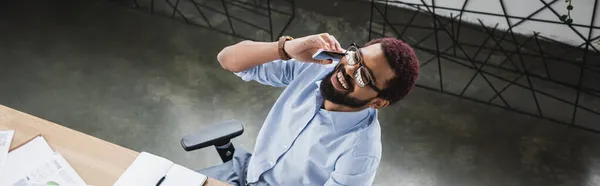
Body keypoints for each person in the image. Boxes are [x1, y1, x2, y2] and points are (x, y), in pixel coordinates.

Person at [199, 33, 420, 186]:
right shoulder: (320, 66)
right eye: (355, 57)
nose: (348, 70)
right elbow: (227, 59)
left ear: (378, 102)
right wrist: (285, 48)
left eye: (364, 77)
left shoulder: (361, 153)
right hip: (247, 170)